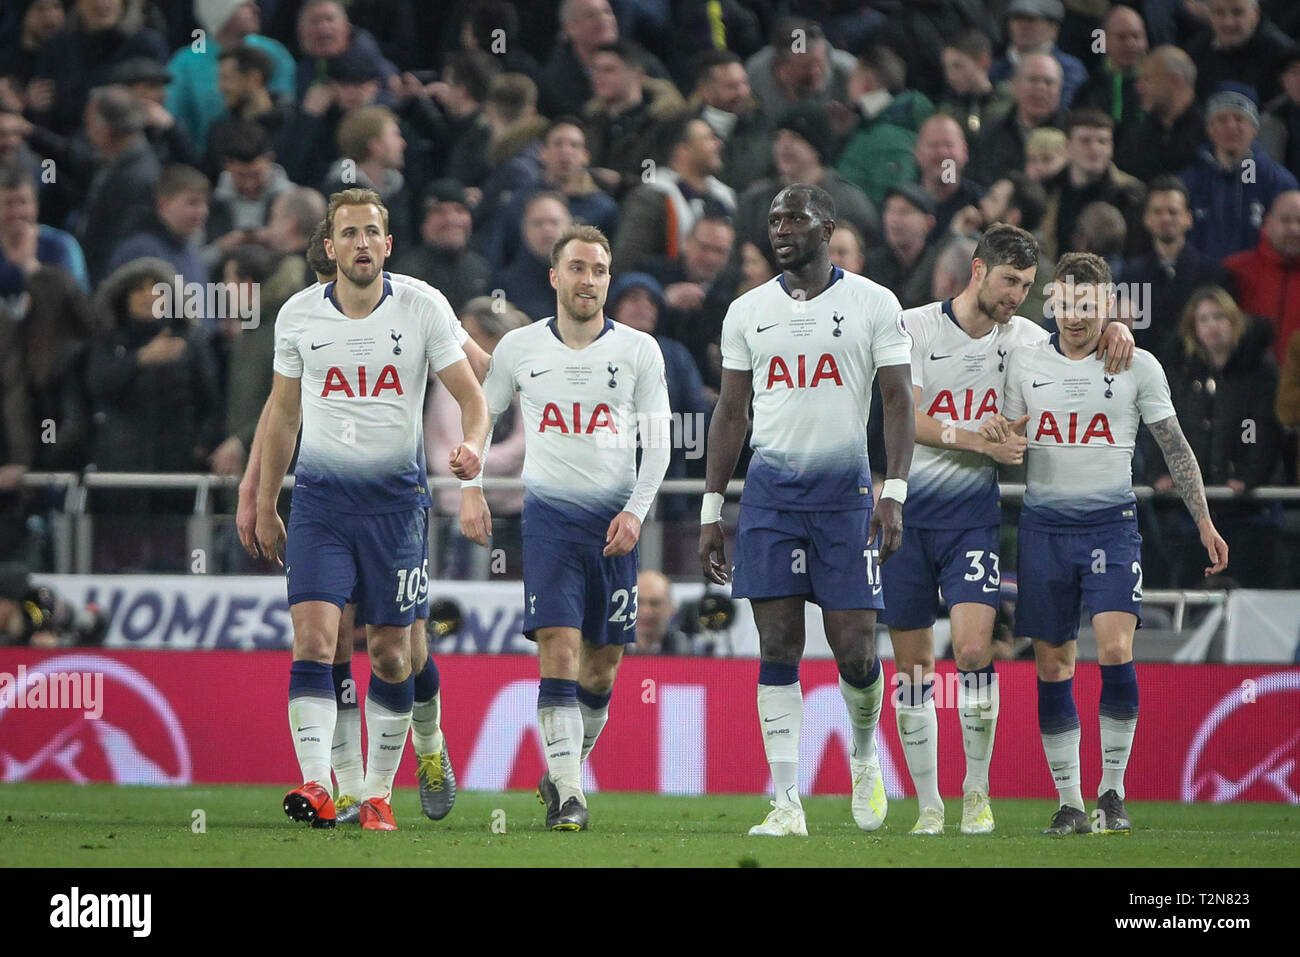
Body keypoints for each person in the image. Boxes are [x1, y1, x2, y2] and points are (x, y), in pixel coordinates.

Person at [884, 225, 1134, 836]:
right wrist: (976, 439)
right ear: (977, 270)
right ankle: (927, 804)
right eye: (1008, 282)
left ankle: (975, 791)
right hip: (907, 515)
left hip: (973, 517)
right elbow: (906, 417)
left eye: (1026, 286)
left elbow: (1080, 345)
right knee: (915, 667)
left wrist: (1119, 330)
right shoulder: (916, 326)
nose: (1016, 298)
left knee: (972, 651)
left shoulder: (1024, 339)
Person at [254, 188, 490, 831]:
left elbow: (474, 397)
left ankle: (390, 783)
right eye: (349, 233)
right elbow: (281, 413)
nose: (362, 243)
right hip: (321, 505)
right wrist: (268, 497)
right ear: (329, 247)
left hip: (396, 509)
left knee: (393, 655)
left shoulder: (422, 306)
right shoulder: (299, 316)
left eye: (372, 233)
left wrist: (471, 452)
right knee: (317, 640)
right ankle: (321, 784)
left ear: (388, 244)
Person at [699, 183, 916, 836]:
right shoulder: (746, 311)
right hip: (769, 498)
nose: (781, 228)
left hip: (846, 497)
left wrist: (895, 493)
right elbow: (730, 413)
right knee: (778, 642)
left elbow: (900, 401)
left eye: (795, 217)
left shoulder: (874, 303)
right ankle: (786, 800)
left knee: (853, 648)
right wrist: (713, 506)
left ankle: (863, 749)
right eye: (773, 219)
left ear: (827, 227)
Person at [1001, 252, 1228, 836]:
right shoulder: (1024, 364)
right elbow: (1004, 437)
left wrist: (1204, 521)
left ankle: (1113, 792)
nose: (1076, 317)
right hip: (1043, 529)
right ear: (1054, 304)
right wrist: (1003, 445)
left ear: (1108, 306)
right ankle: (1071, 802)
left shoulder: (1139, 365)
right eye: (1067, 305)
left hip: (1109, 527)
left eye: (1090, 306)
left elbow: (1176, 447)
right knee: (1053, 662)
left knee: (1115, 647)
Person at [466, 223, 672, 831]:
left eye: (599, 270)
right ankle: (573, 795)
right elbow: (483, 412)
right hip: (550, 520)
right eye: (578, 268)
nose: (589, 280)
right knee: (559, 647)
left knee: (603, 665)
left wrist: (636, 510)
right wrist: (471, 486)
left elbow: (658, 442)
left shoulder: (639, 350)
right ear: (555, 276)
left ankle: (562, 772)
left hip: (615, 524)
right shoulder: (520, 348)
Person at [1146, 287, 1281, 586]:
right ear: (1193, 328)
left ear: (1234, 320)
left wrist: (1249, 476)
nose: (1212, 325)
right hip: (1191, 507)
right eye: (1203, 319)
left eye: (1219, 316)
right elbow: (1162, 426)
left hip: (1245, 508)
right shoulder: (1180, 371)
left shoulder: (1259, 368)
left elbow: (1260, 429)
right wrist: (1160, 472)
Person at [1180, 84, 1299, 265]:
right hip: (1203, 286)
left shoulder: (1279, 183)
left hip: (1258, 284)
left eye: (1239, 119)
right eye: (1221, 119)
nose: (1231, 126)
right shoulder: (1188, 183)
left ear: (1255, 128)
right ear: (1210, 129)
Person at [1120, 176, 1221, 359]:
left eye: (1173, 211)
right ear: (1146, 219)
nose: (1165, 218)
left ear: (1188, 218)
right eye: (1158, 212)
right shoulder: (1130, 275)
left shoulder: (1211, 275)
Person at [1223, 190, 1300, 365]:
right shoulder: (1234, 271)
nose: (1294, 229)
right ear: (1268, 223)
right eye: (1286, 220)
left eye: (1299, 221)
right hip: (1248, 383)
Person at [1114, 46, 1202, 183]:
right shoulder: (1136, 136)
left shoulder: (1208, 134)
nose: (1139, 88)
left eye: (1147, 79)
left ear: (1176, 81)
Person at [632, 569, 690, 654]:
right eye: (638, 602)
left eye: (655, 603)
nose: (646, 611)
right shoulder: (609, 650)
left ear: (671, 609)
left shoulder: (688, 651)